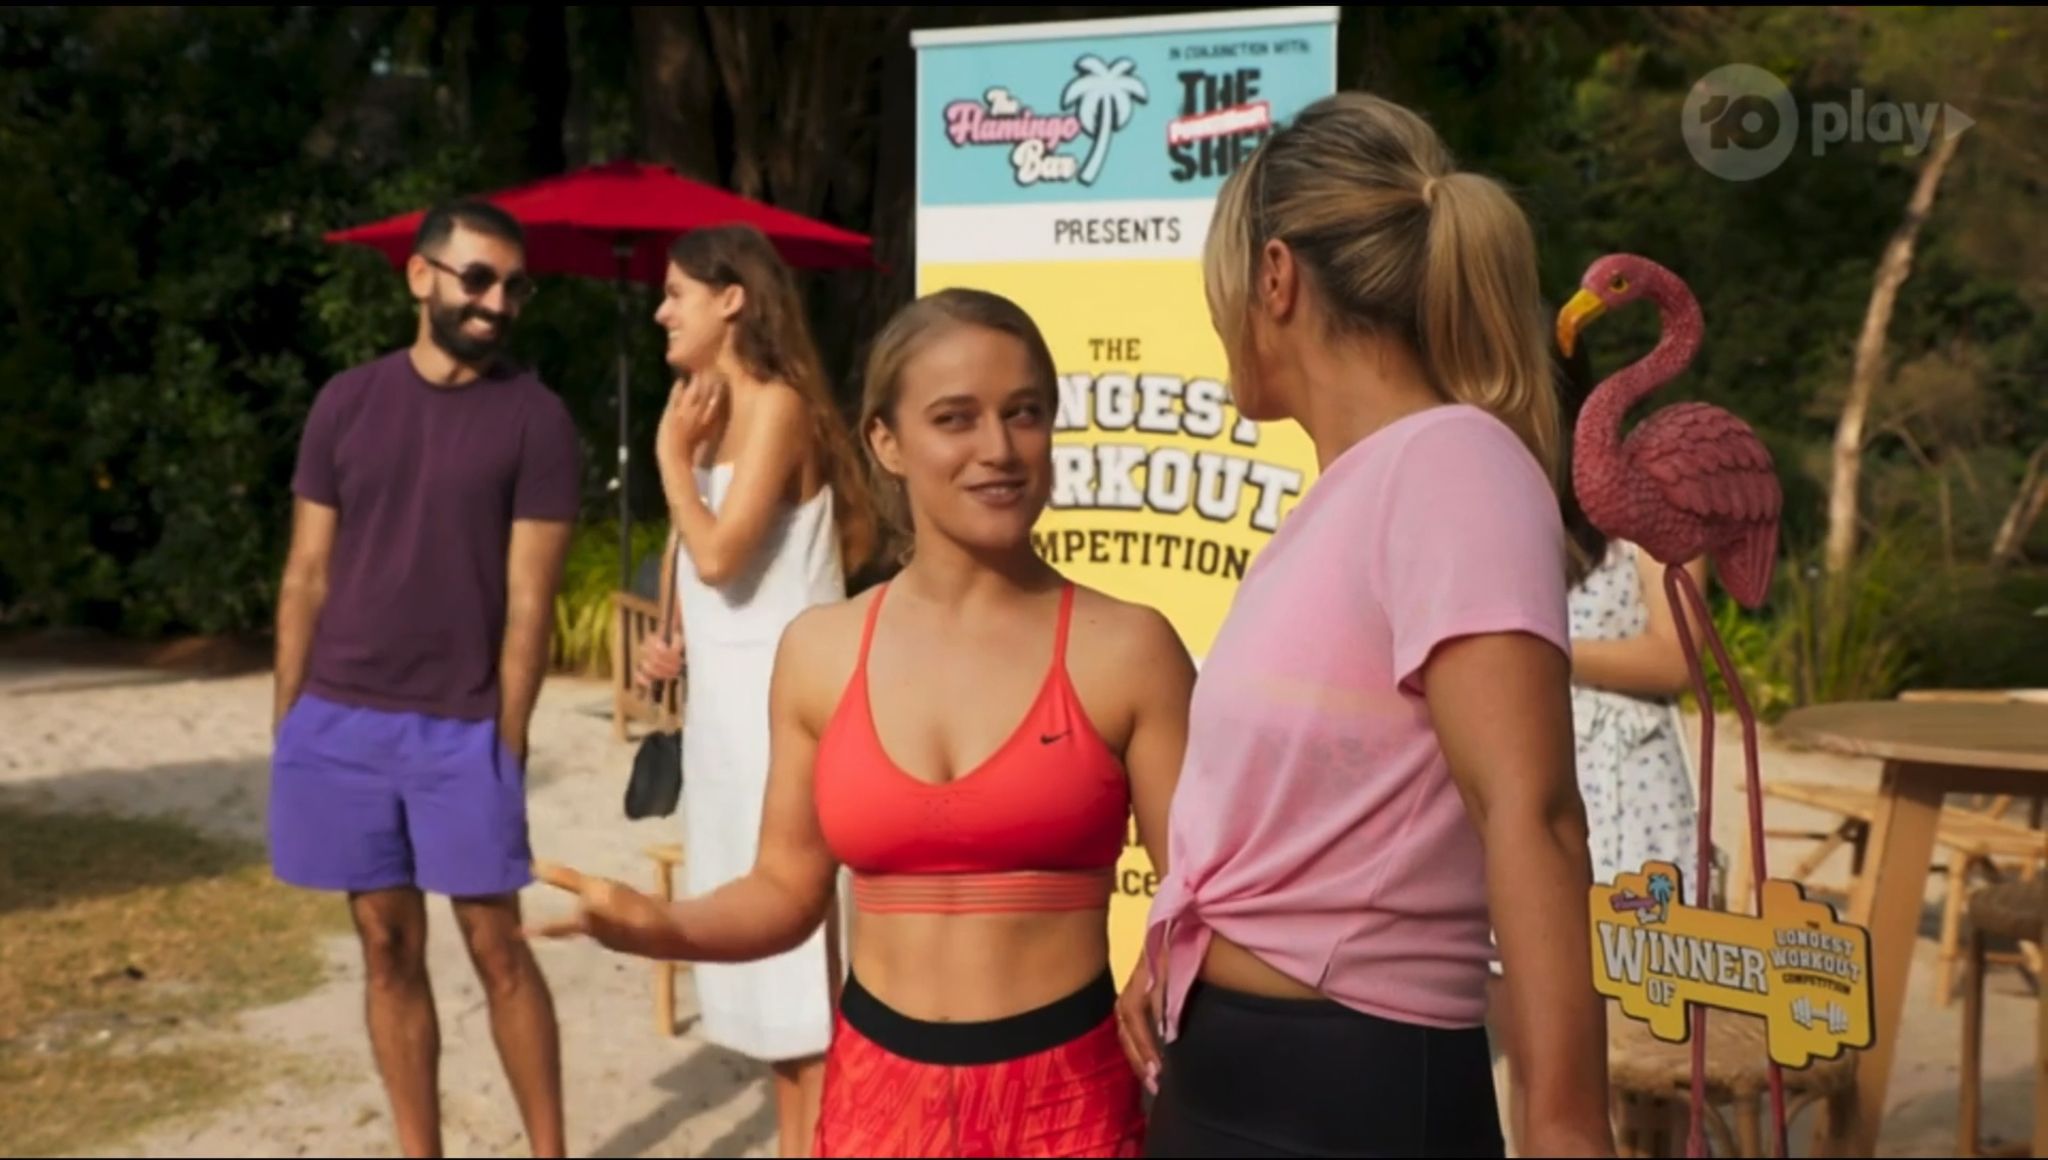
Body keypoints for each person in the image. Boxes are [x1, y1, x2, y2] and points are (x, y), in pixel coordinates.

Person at [530, 287, 1197, 1159]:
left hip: (1069, 1103)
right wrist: (660, 926)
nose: (999, 448)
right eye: (955, 418)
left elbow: (1203, 893)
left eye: (1025, 413)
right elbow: (785, 890)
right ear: (886, 441)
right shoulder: (821, 652)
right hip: (875, 1104)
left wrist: (1166, 963)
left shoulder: (1130, 649)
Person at [1114, 91, 1617, 1158]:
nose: (1218, 319)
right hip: (1231, 1070)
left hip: (1347, 1092)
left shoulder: (1452, 465)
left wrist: (1566, 1127)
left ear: (1275, 277)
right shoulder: (1351, 493)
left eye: (1222, 287)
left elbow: (1531, 811)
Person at [268, 199, 582, 1158]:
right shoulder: (346, 402)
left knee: (499, 948)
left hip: (463, 728)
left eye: (515, 287)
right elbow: (306, 573)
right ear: (420, 276)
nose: (497, 302)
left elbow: (529, 603)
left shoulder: (536, 419)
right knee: (386, 947)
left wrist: (507, 743)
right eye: (478, 279)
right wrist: (290, 723)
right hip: (341, 721)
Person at [630, 222, 881, 1158]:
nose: (661, 312)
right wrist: (671, 637)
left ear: (731, 299)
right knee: (776, 1010)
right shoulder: (702, 411)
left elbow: (722, 551)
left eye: (676, 294)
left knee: (809, 992)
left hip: (790, 720)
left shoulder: (776, 405)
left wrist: (669, 458)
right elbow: (694, 562)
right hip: (728, 728)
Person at [1486, 328, 1715, 1151]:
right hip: (1522, 796)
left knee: (1649, 1067)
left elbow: (1679, 654)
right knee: (1535, 1068)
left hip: (1631, 806)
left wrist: (1543, 650)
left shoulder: (1647, 501)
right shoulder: (1488, 507)